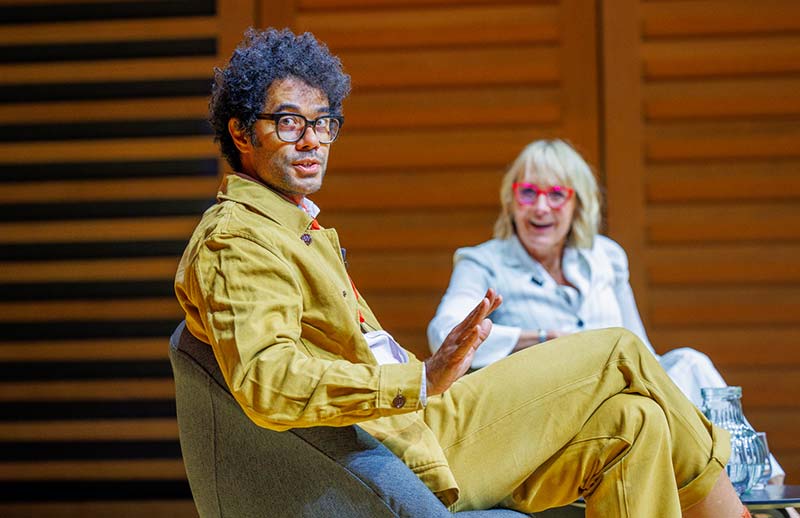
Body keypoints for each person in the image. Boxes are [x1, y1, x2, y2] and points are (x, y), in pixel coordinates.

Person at [174, 28, 750, 517]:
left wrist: (421, 381)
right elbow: (266, 380)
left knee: (637, 421)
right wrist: (419, 379)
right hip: (413, 432)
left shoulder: (292, 228)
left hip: (423, 419)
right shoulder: (239, 239)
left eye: (323, 123)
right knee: (617, 350)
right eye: (289, 122)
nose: (313, 142)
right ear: (242, 133)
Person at [427, 138, 783, 483]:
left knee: (689, 364)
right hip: (548, 411)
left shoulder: (605, 257)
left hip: (621, 396)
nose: (540, 207)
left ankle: (766, 492)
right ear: (511, 201)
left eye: (556, 195)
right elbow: (445, 333)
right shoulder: (483, 262)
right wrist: (546, 339)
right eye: (528, 192)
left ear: (577, 203)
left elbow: (641, 350)